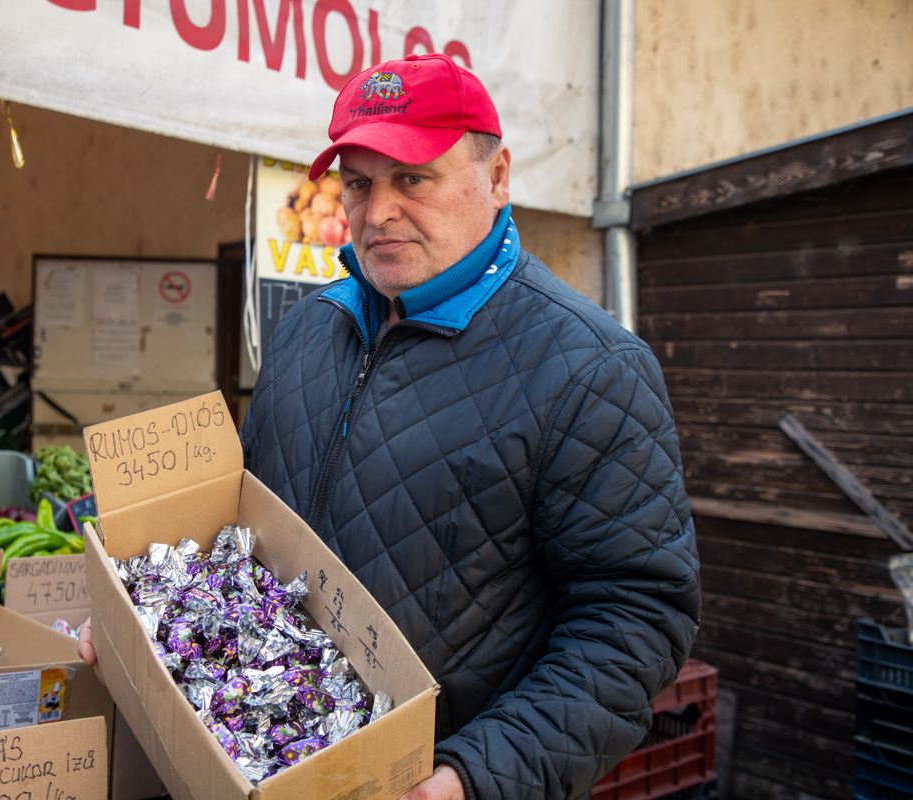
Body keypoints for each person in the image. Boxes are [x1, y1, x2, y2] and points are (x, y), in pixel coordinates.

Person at [82, 52, 700, 800]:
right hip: (258, 760)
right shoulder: (310, 330)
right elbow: (240, 530)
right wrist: (141, 621)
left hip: (419, 780)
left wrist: (477, 775)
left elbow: (635, 618)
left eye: (412, 178)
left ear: (497, 176)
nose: (377, 213)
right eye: (358, 181)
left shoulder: (588, 368)